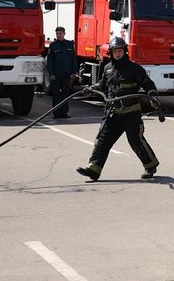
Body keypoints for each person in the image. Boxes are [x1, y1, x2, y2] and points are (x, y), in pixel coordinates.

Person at [76, 37, 161, 181]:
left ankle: (150, 165)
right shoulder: (108, 68)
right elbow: (102, 85)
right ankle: (93, 170)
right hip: (112, 113)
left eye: (120, 51)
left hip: (131, 113)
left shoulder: (135, 68)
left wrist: (152, 95)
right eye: (115, 51)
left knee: (136, 141)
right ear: (111, 52)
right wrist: (90, 89)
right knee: (102, 141)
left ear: (125, 51)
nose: (118, 54)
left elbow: (148, 84)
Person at [47, 26, 78, 118]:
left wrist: (74, 72)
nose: (59, 35)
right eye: (57, 34)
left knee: (65, 94)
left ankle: (64, 112)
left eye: (60, 33)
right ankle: (56, 113)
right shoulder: (53, 45)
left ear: (64, 34)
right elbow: (50, 61)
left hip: (66, 74)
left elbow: (73, 59)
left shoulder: (69, 44)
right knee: (56, 95)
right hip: (56, 74)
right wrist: (51, 73)